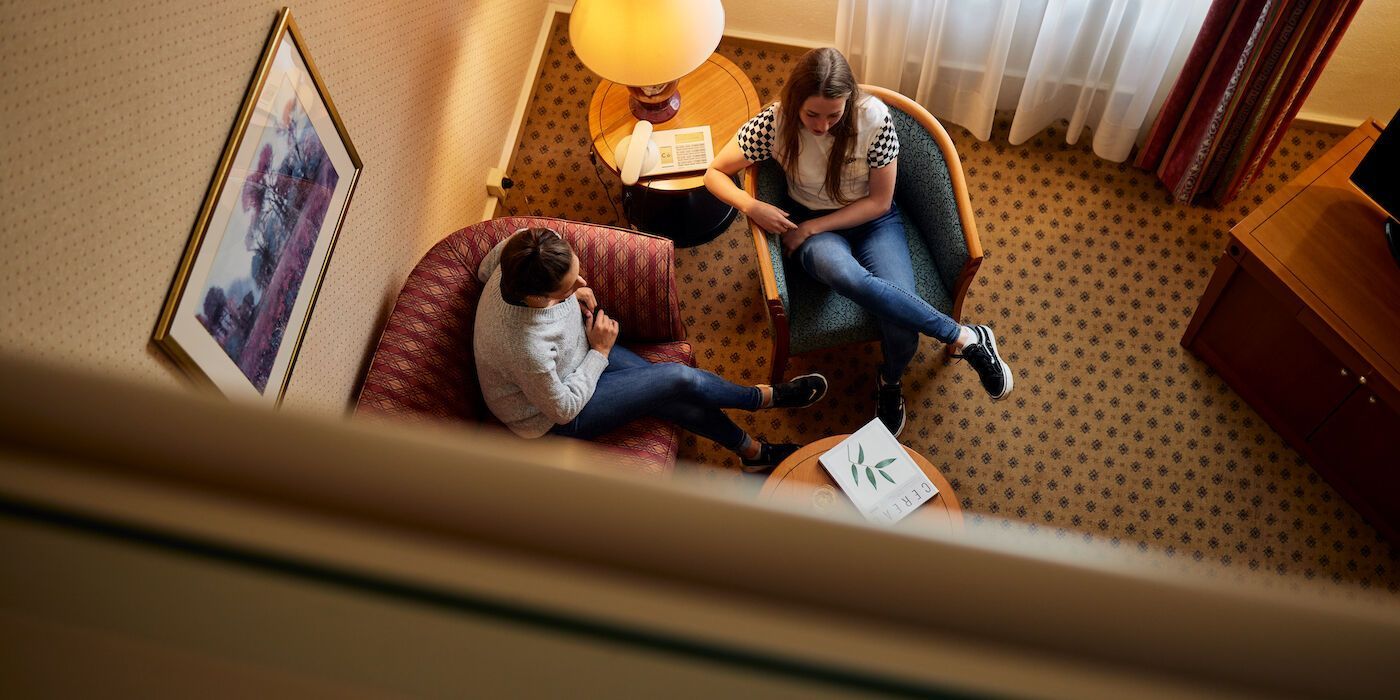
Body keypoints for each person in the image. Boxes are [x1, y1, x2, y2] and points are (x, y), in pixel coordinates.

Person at [704, 47, 1013, 437]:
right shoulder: (774, 123)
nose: (822, 125)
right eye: (812, 114)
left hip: (872, 220)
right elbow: (713, 173)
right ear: (796, 101)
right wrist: (751, 205)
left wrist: (811, 230)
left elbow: (880, 202)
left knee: (900, 322)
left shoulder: (874, 119)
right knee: (843, 273)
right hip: (812, 219)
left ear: (848, 101)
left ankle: (892, 379)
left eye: (833, 115)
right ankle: (964, 336)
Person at [474, 227, 829, 472]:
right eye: (568, 289)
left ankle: (752, 452)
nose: (582, 284)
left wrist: (572, 296)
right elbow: (563, 409)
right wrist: (599, 351)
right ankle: (761, 399)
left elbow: (481, 270)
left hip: (576, 353)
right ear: (537, 296)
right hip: (552, 412)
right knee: (677, 378)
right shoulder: (525, 346)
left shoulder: (522, 245)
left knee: (671, 392)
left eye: (576, 274)